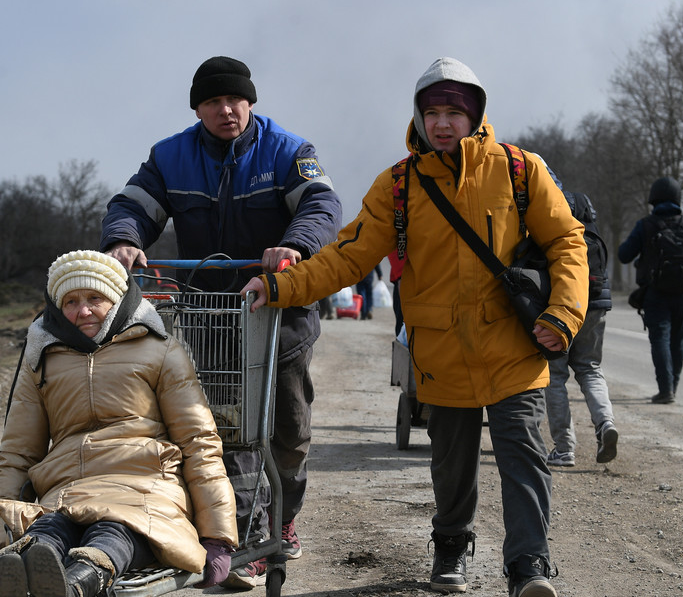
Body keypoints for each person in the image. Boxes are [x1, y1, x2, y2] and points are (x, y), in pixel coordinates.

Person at [241, 57, 587, 597]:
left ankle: (530, 568)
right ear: (420, 119)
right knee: (452, 470)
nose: (443, 123)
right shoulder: (398, 186)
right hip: (441, 354)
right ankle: (450, 546)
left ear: (475, 115)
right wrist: (281, 287)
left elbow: (568, 242)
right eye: (433, 113)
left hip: (514, 348)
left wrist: (563, 314)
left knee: (524, 458)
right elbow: (348, 258)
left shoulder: (520, 170)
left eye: (454, 111)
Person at [100, 56, 343, 588]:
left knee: (287, 429)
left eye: (234, 100)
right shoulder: (170, 157)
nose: (226, 110)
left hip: (280, 312)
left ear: (251, 102)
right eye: (212, 102)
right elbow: (133, 204)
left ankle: (285, 516)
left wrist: (296, 245)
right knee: (222, 429)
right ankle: (245, 535)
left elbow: (323, 205)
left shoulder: (288, 152)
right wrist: (125, 239)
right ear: (198, 109)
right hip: (210, 316)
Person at [0, 250, 237, 597]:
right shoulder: (41, 361)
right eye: (71, 301)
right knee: (49, 530)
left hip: (145, 486)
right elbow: (16, 453)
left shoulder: (161, 351)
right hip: (67, 491)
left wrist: (218, 537)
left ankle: (77, 583)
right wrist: (4, 539)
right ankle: (26, 568)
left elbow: (199, 442)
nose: (83, 311)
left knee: (112, 530)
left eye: (94, 298)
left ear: (117, 299)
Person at [618, 177, 683, 404]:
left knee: (659, 339)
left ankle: (665, 389)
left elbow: (624, 255)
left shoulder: (645, 225)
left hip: (655, 292)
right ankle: (674, 387)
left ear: (653, 198)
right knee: (677, 341)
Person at [543, 190, 619, 468]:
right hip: (596, 305)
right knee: (590, 369)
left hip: (562, 308)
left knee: (556, 375)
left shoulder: (556, 234)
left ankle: (564, 448)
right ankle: (605, 423)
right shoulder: (594, 233)